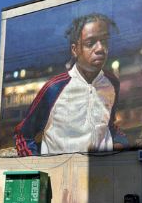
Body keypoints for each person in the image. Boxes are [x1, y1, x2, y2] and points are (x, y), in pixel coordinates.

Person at [15, 13, 127, 156]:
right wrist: (37, 169)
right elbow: (23, 134)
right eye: (90, 43)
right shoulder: (54, 88)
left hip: (102, 173)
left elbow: (109, 125)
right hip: (59, 174)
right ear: (75, 50)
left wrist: (120, 142)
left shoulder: (112, 83)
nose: (100, 48)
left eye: (104, 41)